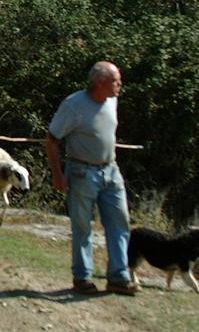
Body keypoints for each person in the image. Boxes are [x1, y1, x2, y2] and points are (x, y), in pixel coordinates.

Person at [46, 61, 140, 296]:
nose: (120, 85)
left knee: (120, 223)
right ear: (99, 81)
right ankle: (82, 278)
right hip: (81, 172)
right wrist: (58, 176)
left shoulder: (112, 100)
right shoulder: (73, 105)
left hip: (111, 170)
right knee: (82, 226)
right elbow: (52, 141)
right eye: (115, 81)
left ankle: (119, 278)